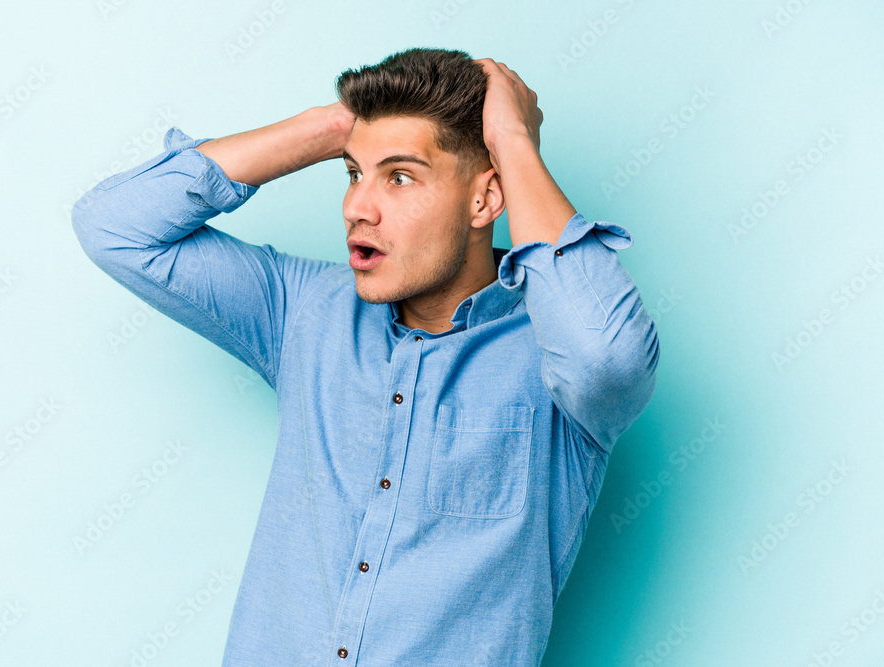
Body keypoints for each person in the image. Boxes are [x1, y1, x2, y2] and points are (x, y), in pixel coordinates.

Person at [72, 47, 659, 666]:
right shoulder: (302, 310)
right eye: (354, 174)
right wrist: (329, 128)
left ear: (486, 199)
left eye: (399, 177)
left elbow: (612, 362)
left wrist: (513, 144)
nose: (356, 207)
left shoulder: (555, 356)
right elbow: (115, 228)